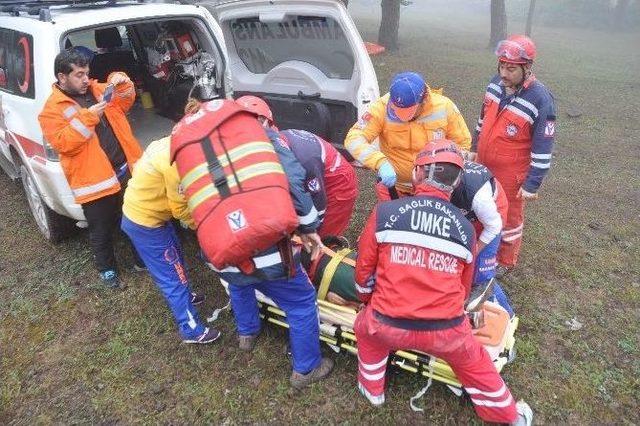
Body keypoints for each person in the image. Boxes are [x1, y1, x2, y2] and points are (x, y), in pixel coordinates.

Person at [353, 140, 532, 425]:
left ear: (417, 174)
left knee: (366, 333)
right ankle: (510, 416)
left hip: (385, 324)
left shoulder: (385, 213)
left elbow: (364, 269)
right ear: (458, 180)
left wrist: (366, 302)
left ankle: (373, 390)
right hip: (445, 332)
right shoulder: (465, 229)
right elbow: (462, 289)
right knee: (476, 364)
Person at [194, 100, 333, 388]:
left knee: (239, 283)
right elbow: (295, 187)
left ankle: (247, 333)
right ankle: (306, 368)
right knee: (301, 302)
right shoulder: (266, 141)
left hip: (220, 248)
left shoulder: (207, 146)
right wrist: (309, 226)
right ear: (265, 120)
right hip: (267, 252)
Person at [38, 47, 143, 288]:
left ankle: (141, 261)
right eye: (78, 75)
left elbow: (126, 101)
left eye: (87, 73)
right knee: (101, 230)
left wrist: (122, 80)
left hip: (124, 170)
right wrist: (89, 117)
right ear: (62, 77)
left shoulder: (98, 90)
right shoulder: (51, 111)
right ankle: (108, 272)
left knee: (135, 217)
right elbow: (63, 143)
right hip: (94, 181)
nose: (86, 79)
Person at [120, 100, 220, 344]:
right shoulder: (175, 161)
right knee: (172, 274)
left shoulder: (170, 141)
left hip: (152, 215)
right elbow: (180, 208)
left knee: (176, 256)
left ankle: (186, 295)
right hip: (146, 223)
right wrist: (206, 229)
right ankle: (191, 329)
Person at [470, 35, 556, 276]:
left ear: (527, 68)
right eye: (501, 66)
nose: (504, 74)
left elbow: (544, 146)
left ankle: (504, 262)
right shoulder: (494, 84)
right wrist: (475, 147)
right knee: (481, 208)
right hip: (484, 164)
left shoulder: (541, 99)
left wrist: (533, 183)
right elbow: (481, 119)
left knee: (508, 218)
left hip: (511, 174)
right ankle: (483, 249)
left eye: (511, 69)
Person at [235, 95, 358, 238]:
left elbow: (318, 201)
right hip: (314, 168)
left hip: (338, 182)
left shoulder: (303, 157)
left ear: (267, 122)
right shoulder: (268, 144)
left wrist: (309, 229)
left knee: (322, 237)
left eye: (256, 123)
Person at [344, 71, 471, 200]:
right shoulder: (380, 108)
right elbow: (353, 139)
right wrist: (381, 163)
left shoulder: (445, 107)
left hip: (433, 188)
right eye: (395, 109)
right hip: (394, 187)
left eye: (408, 112)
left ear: (423, 99)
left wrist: (446, 177)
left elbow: (462, 143)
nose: (399, 116)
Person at [451, 160, 514, 316]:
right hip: (465, 218)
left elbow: (493, 226)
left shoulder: (479, 196)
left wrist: (475, 249)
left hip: (490, 222)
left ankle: (507, 316)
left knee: (481, 277)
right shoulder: (427, 179)